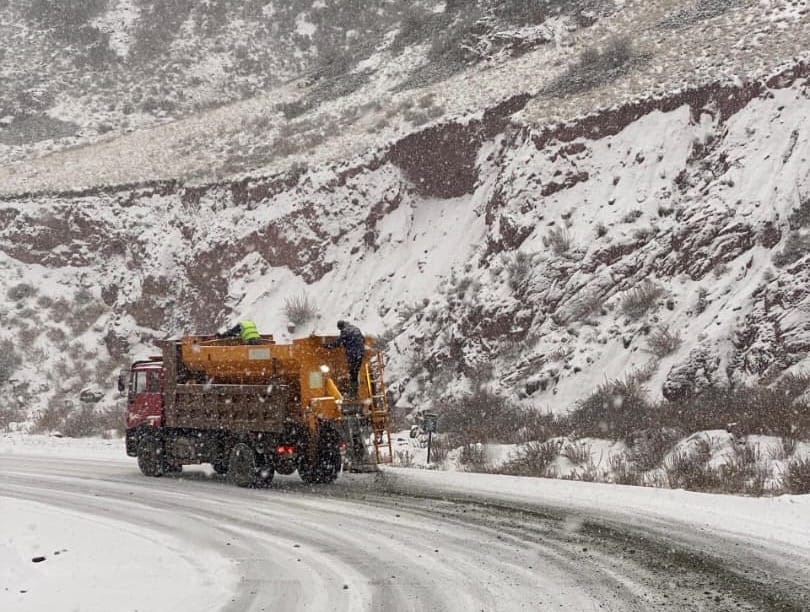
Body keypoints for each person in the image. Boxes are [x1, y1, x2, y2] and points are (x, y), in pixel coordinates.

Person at [322, 320, 365, 398]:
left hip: (353, 354)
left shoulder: (345, 332)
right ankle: (355, 392)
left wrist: (326, 346)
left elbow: (337, 343)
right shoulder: (355, 329)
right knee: (355, 373)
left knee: (352, 373)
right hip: (360, 354)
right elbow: (363, 339)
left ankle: (353, 394)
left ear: (341, 327)